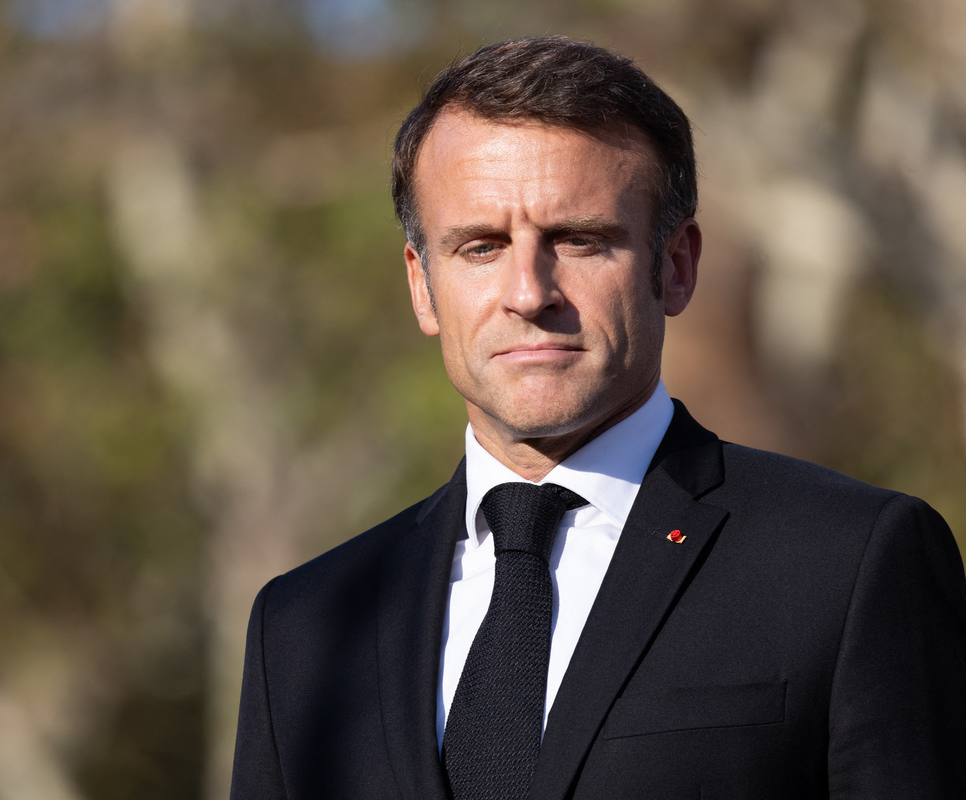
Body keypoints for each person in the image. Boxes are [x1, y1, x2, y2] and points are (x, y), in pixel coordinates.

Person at [229, 36, 966, 800]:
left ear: (675, 266)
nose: (528, 292)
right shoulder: (302, 626)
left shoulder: (846, 564)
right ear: (422, 286)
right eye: (480, 247)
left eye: (579, 240)